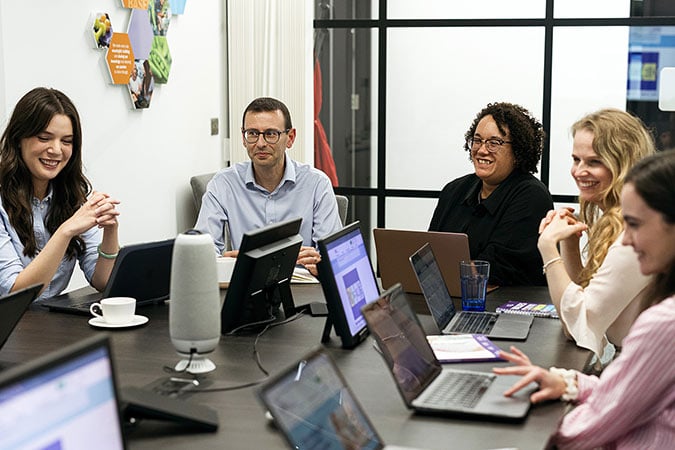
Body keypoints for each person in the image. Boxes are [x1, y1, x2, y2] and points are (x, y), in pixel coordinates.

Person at [493, 149, 675, 449]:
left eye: (636, 224)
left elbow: (586, 431)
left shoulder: (662, 323)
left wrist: (548, 248)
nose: (627, 240)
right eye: (576, 159)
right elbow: (626, 393)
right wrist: (568, 383)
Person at [537, 109, 655, 360]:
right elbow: (586, 295)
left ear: (623, 165)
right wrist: (569, 241)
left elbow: (577, 326)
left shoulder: (633, 235)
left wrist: (548, 247)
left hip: (644, 369)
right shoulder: (618, 218)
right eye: (576, 159)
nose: (579, 171)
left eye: (593, 162)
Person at [195, 97, 342, 275]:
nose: (261, 143)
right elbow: (202, 253)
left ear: (290, 138)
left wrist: (321, 264)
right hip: (247, 288)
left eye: (271, 134)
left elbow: (336, 258)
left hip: (302, 288)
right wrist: (227, 263)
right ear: (243, 137)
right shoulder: (223, 184)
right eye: (253, 133)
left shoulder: (317, 184)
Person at [0, 87, 120, 301]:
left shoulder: (73, 196)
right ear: (19, 139)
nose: (56, 150)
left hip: (48, 326)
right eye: (44, 138)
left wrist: (110, 231)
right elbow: (15, 293)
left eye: (66, 141)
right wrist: (66, 231)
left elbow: (102, 281)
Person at [429, 102, 553, 286]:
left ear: (518, 151)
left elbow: (496, 268)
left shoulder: (532, 195)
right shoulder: (454, 190)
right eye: (477, 140)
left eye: (494, 143)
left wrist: (439, 271)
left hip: (508, 305)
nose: (481, 150)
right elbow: (430, 253)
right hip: (451, 297)